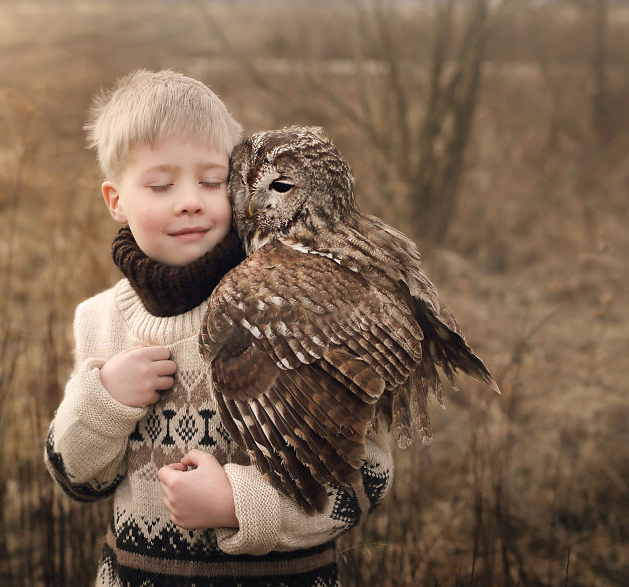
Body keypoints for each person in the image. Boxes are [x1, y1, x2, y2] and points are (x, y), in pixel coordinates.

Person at [44, 69, 393, 586]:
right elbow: (78, 480)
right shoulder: (99, 320)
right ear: (115, 200)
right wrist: (103, 399)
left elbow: (367, 476)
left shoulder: (298, 309)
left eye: (212, 181)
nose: (191, 200)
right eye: (161, 184)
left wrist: (240, 503)